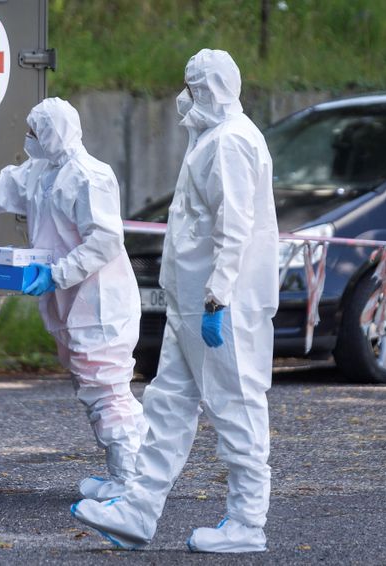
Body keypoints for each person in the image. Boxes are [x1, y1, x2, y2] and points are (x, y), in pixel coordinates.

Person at [71, 49, 279, 553]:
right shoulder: (211, 138)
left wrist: (217, 298)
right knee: (167, 406)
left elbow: (234, 229)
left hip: (220, 307)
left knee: (236, 408)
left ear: (208, 90)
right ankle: (139, 512)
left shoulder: (231, 142)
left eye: (190, 87)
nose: (182, 97)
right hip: (192, 305)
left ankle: (247, 523)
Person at [0, 97, 147, 496]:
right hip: (70, 303)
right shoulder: (40, 173)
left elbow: (103, 242)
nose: (29, 139)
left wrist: (55, 274)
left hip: (100, 304)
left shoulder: (91, 176)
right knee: (100, 390)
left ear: (55, 133)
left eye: (35, 133)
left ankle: (129, 486)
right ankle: (138, 475)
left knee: (105, 391)